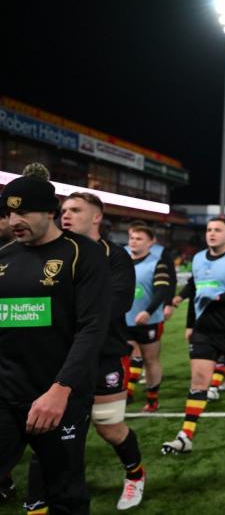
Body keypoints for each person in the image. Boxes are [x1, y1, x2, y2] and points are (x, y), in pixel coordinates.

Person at [0, 174, 110, 514]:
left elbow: (92, 329)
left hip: (60, 397)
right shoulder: (3, 257)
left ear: (49, 211)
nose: (14, 221)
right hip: (6, 393)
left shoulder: (83, 255)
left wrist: (60, 389)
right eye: (9, 213)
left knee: (65, 494)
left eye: (24, 213)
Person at [161, 218, 225, 454]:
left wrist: (221, 297)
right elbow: (197, 289)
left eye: (218, 230)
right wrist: (187, 318)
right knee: (198, 381)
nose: (212, 233)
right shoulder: (197, 258)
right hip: (203, 330)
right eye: (209, 230)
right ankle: (185, 435)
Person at [125, 222, 175, 413]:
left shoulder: (157, 263)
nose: (134, 242)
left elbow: (162, 290)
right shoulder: (122, 261)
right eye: (132, 238)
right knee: (126, 357)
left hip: (149, 321)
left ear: (151, 242)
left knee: (150, 360)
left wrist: (148, 311)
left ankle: (153, 399)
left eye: (139, 239)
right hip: (124, 319)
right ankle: (126, 392)